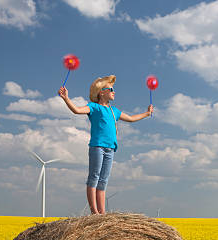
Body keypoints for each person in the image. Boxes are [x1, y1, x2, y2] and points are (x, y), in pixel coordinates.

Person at [58, 75, 153, 214]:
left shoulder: (114, 111)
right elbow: (77, 110)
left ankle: (102, 214)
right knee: (94, 177)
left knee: (103, 181)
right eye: (111, 89)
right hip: (98, 147)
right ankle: (94, 212)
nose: (114, 91)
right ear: (101, 92)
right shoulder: (94, 107)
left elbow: (131, 119)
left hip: (110, 149)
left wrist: (147, 113)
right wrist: (66, 98)